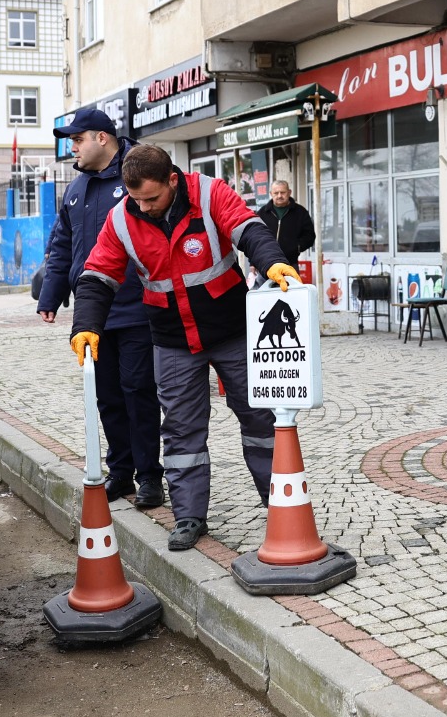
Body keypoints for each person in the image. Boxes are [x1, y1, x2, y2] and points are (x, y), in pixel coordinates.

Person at [69, 143, 302, 551]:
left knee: (261, 419)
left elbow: (247, 228)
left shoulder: (210, 193)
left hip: (232, 332)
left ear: (173, 180)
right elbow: (97, 273)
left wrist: (273, 262)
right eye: (136, 200)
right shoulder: (121, 219)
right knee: (181, 430)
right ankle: (189, 516)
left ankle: (280, 502)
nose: (144, 208)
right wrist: (86, 325)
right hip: (173, 341)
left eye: (152, 198)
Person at [37, 108, 165, 510]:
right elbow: (61, 246)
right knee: (106, 396)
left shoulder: (136, 177)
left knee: (138, 393)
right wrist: (51, 295)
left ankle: (149, 478)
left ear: (102, 139)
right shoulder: (76, 189)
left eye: (77, 139)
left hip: (136, 308)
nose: (72, 146)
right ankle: (121, 472)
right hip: (93, 314)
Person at [256, 181, 316, 268]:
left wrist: (296, 247)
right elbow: (255, 237)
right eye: (276, 193)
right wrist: (253, 263)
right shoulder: (263, 213)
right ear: (271, 194)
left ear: (289, 192)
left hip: (290, 264)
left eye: (283, 192)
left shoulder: (300, 212)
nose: (279, 196)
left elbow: (309, 235)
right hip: (265, 265)